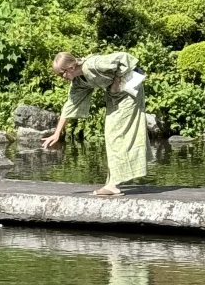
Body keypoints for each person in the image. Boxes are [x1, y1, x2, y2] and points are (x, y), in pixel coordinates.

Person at [43, 50, 147, 197]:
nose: (62, 78)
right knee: (111, 135)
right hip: (116, 95)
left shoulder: (93, 65)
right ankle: (111, 183)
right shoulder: (78, 81)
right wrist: (57, 132)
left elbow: (124, 58)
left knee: (116, 135)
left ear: (72, 67)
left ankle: (113, 185)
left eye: (62, 74)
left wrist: (116, 81)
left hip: (129, 90)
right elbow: (70, 105)